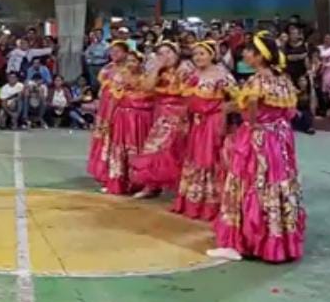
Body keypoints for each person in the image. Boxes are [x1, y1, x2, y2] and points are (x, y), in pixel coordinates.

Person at [209, 33, 306, 263]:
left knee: (246, 182)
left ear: (259, 56)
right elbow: (289, 111)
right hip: (279, 139)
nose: (244, 54)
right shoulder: (282, 79)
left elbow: (252, 105)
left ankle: (239, 242)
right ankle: (276, 241)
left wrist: (247, 120)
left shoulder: (257, 81)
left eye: (248, 51)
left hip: (258, 139)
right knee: (275, 184)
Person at [171, 41, 236, 221]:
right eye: (195, 54)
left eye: (202, 54)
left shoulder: (222, 74)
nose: (198, 57)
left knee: (210, 159)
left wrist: (223, 115)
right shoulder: (192, 74)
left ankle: (211, 204)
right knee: (194, 158)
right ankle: (193, 201)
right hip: (196, 122)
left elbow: (236, 98)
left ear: (212, 55)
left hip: (213, 121)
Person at [131, 41, 193, 199]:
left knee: (178, 151)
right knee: (154, 149)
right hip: (161, 115)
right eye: (161, 53)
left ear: (176, 54)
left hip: (181, 114)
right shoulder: (160, 71)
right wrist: (156, 68)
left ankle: (180, 188)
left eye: (168, 52)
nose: (165, 56)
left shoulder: (186, 69)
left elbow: (189, 93)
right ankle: (151, 185)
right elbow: (147, 87)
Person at [102, 50, 154, 195]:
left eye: (134, 61)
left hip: (142, 118)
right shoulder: (120, 77)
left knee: (139, 149)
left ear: (141, 63)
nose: (131, 64)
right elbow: (114, 99)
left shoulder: (147, 78)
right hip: (122, 117)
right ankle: (119, 182)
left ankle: (139, 183)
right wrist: (108, 119)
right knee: (121, 149)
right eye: (129, 61)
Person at [87, 40, 128, 188]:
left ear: (126, 53)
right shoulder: (107, 68)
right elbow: (102, 90)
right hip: (105, 108)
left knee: (116, 138)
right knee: (103, 137)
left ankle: (117, 172)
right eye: (112, 51)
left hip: (119, 108)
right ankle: (103, 170)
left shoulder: (129, 70)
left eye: (118, 51)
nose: (114, 54)